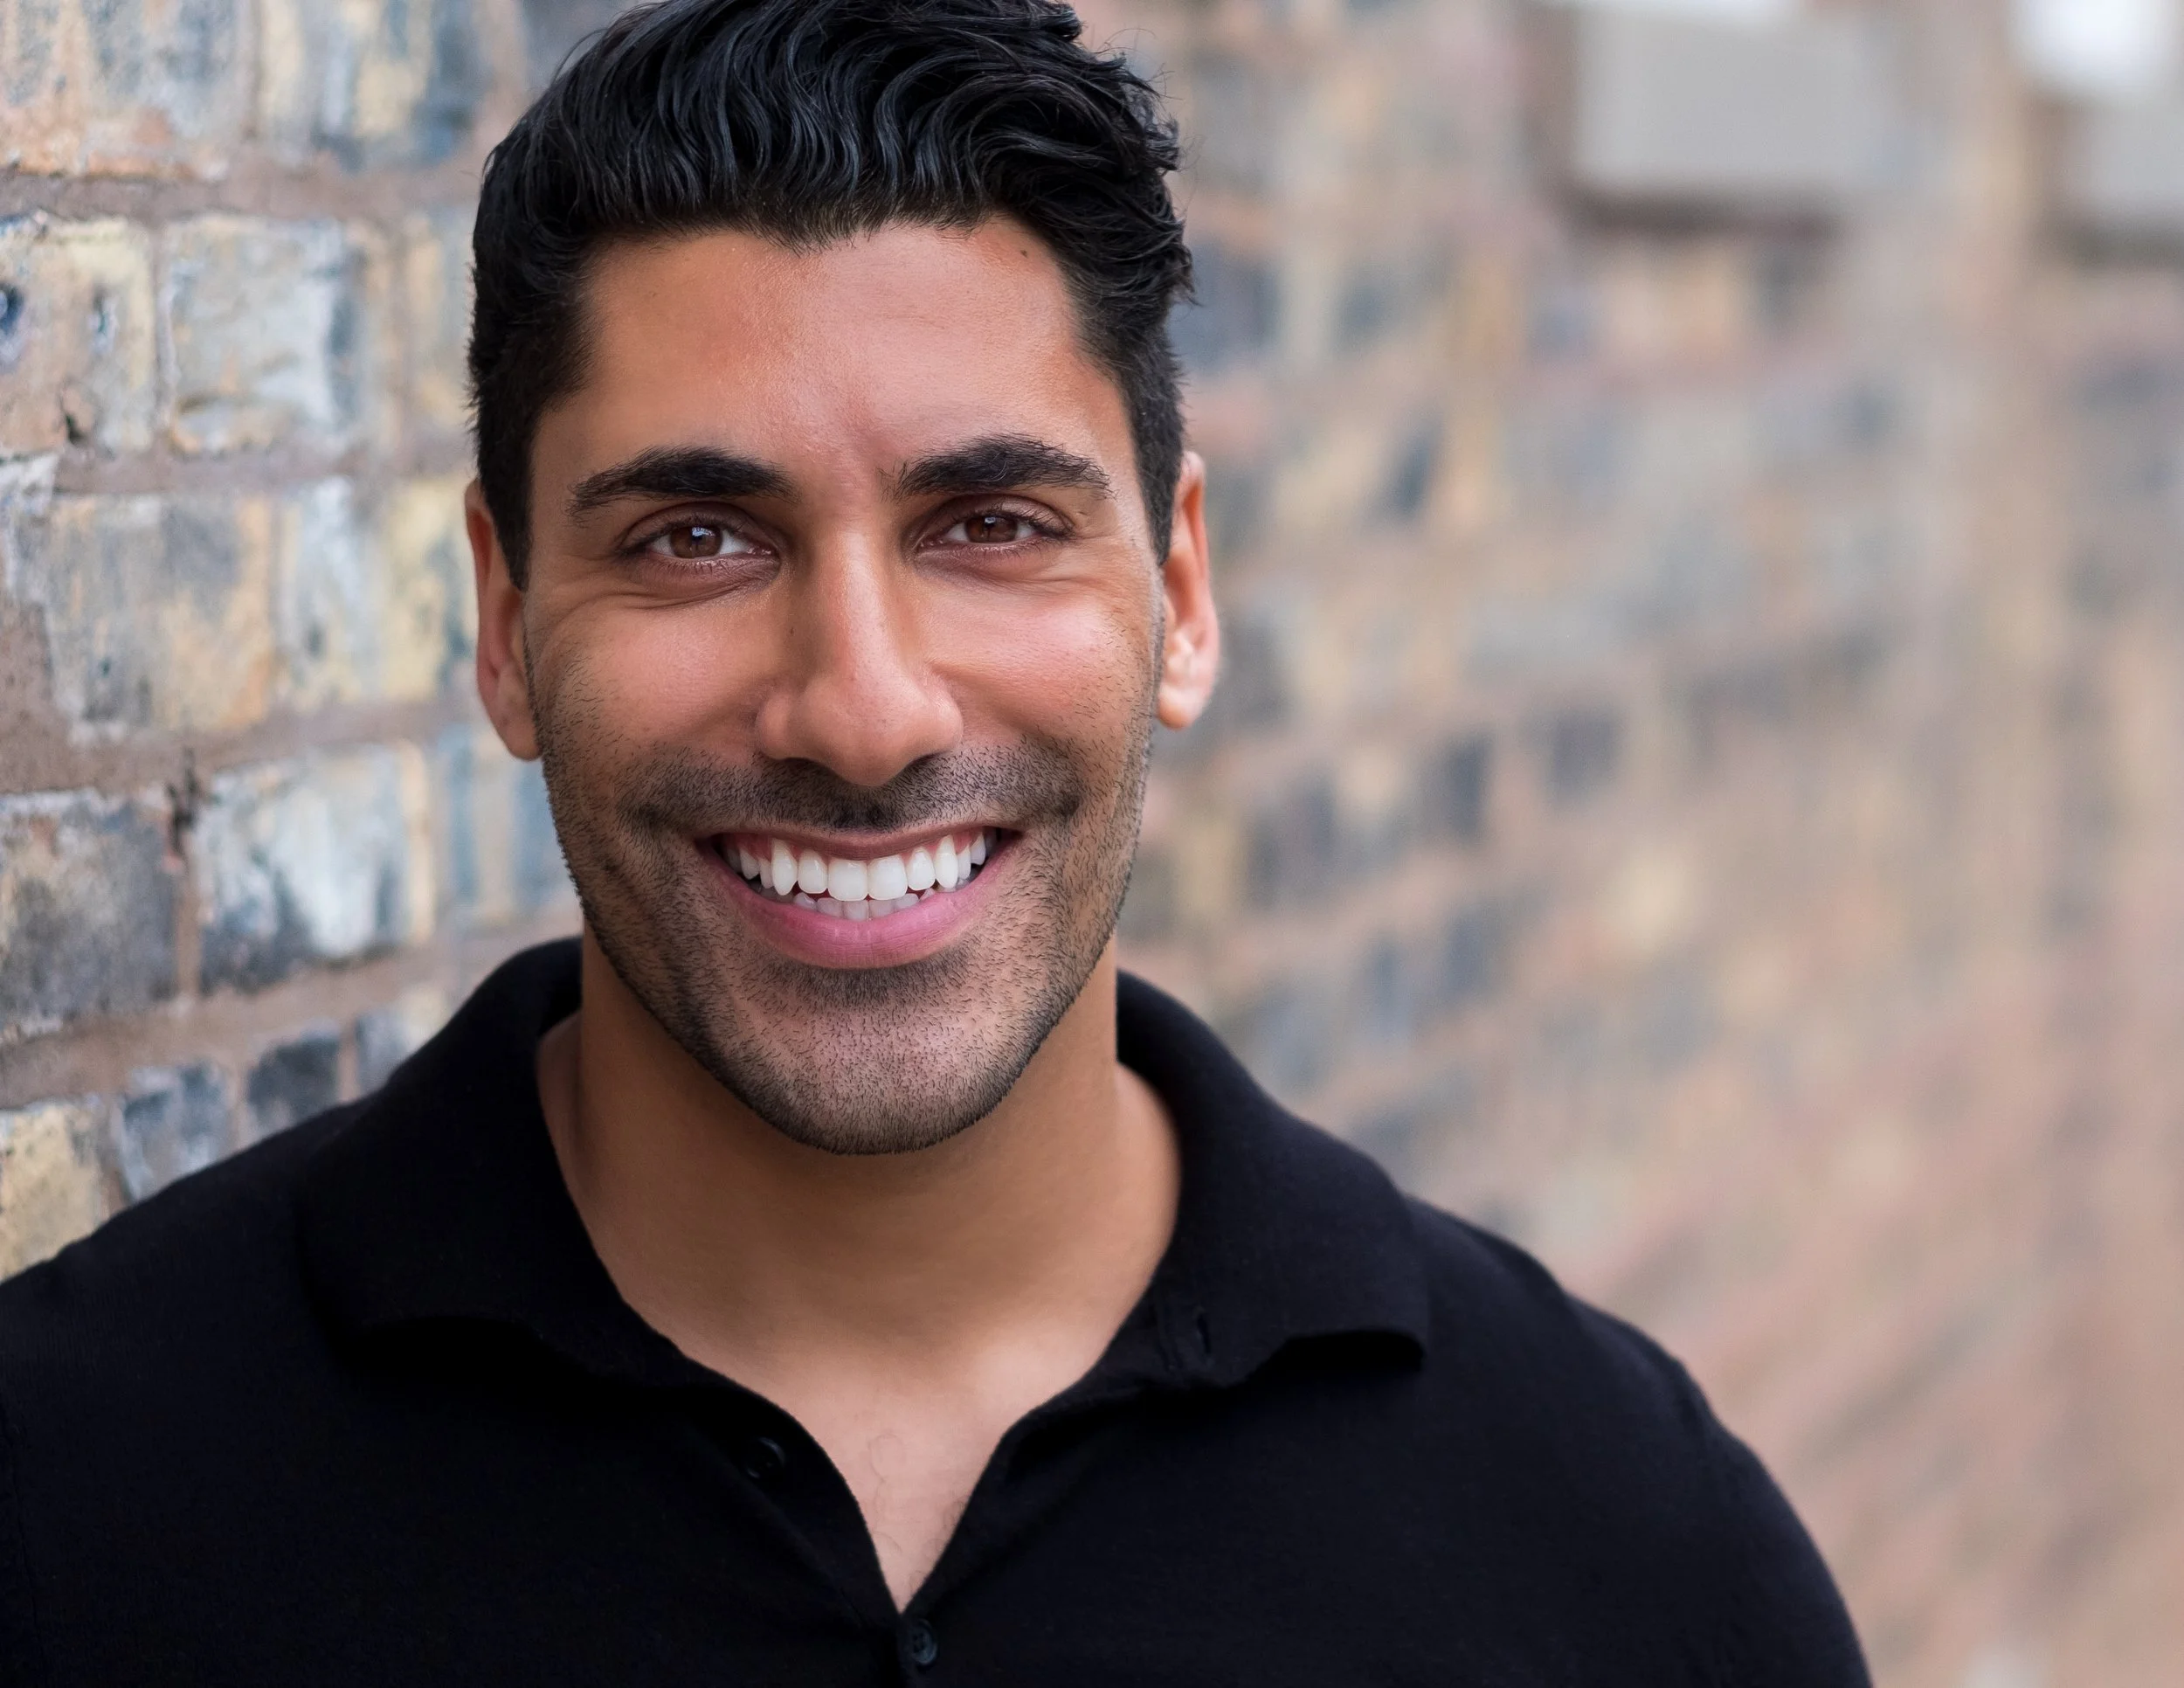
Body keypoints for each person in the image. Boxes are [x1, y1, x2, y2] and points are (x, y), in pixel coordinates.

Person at [0, 0, 1870, 1680]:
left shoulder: (1619, 1549)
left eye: (987, 522)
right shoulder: (76, 1502)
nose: (867, 711)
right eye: (696, 540)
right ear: (501, 625)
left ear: (1181, 592)